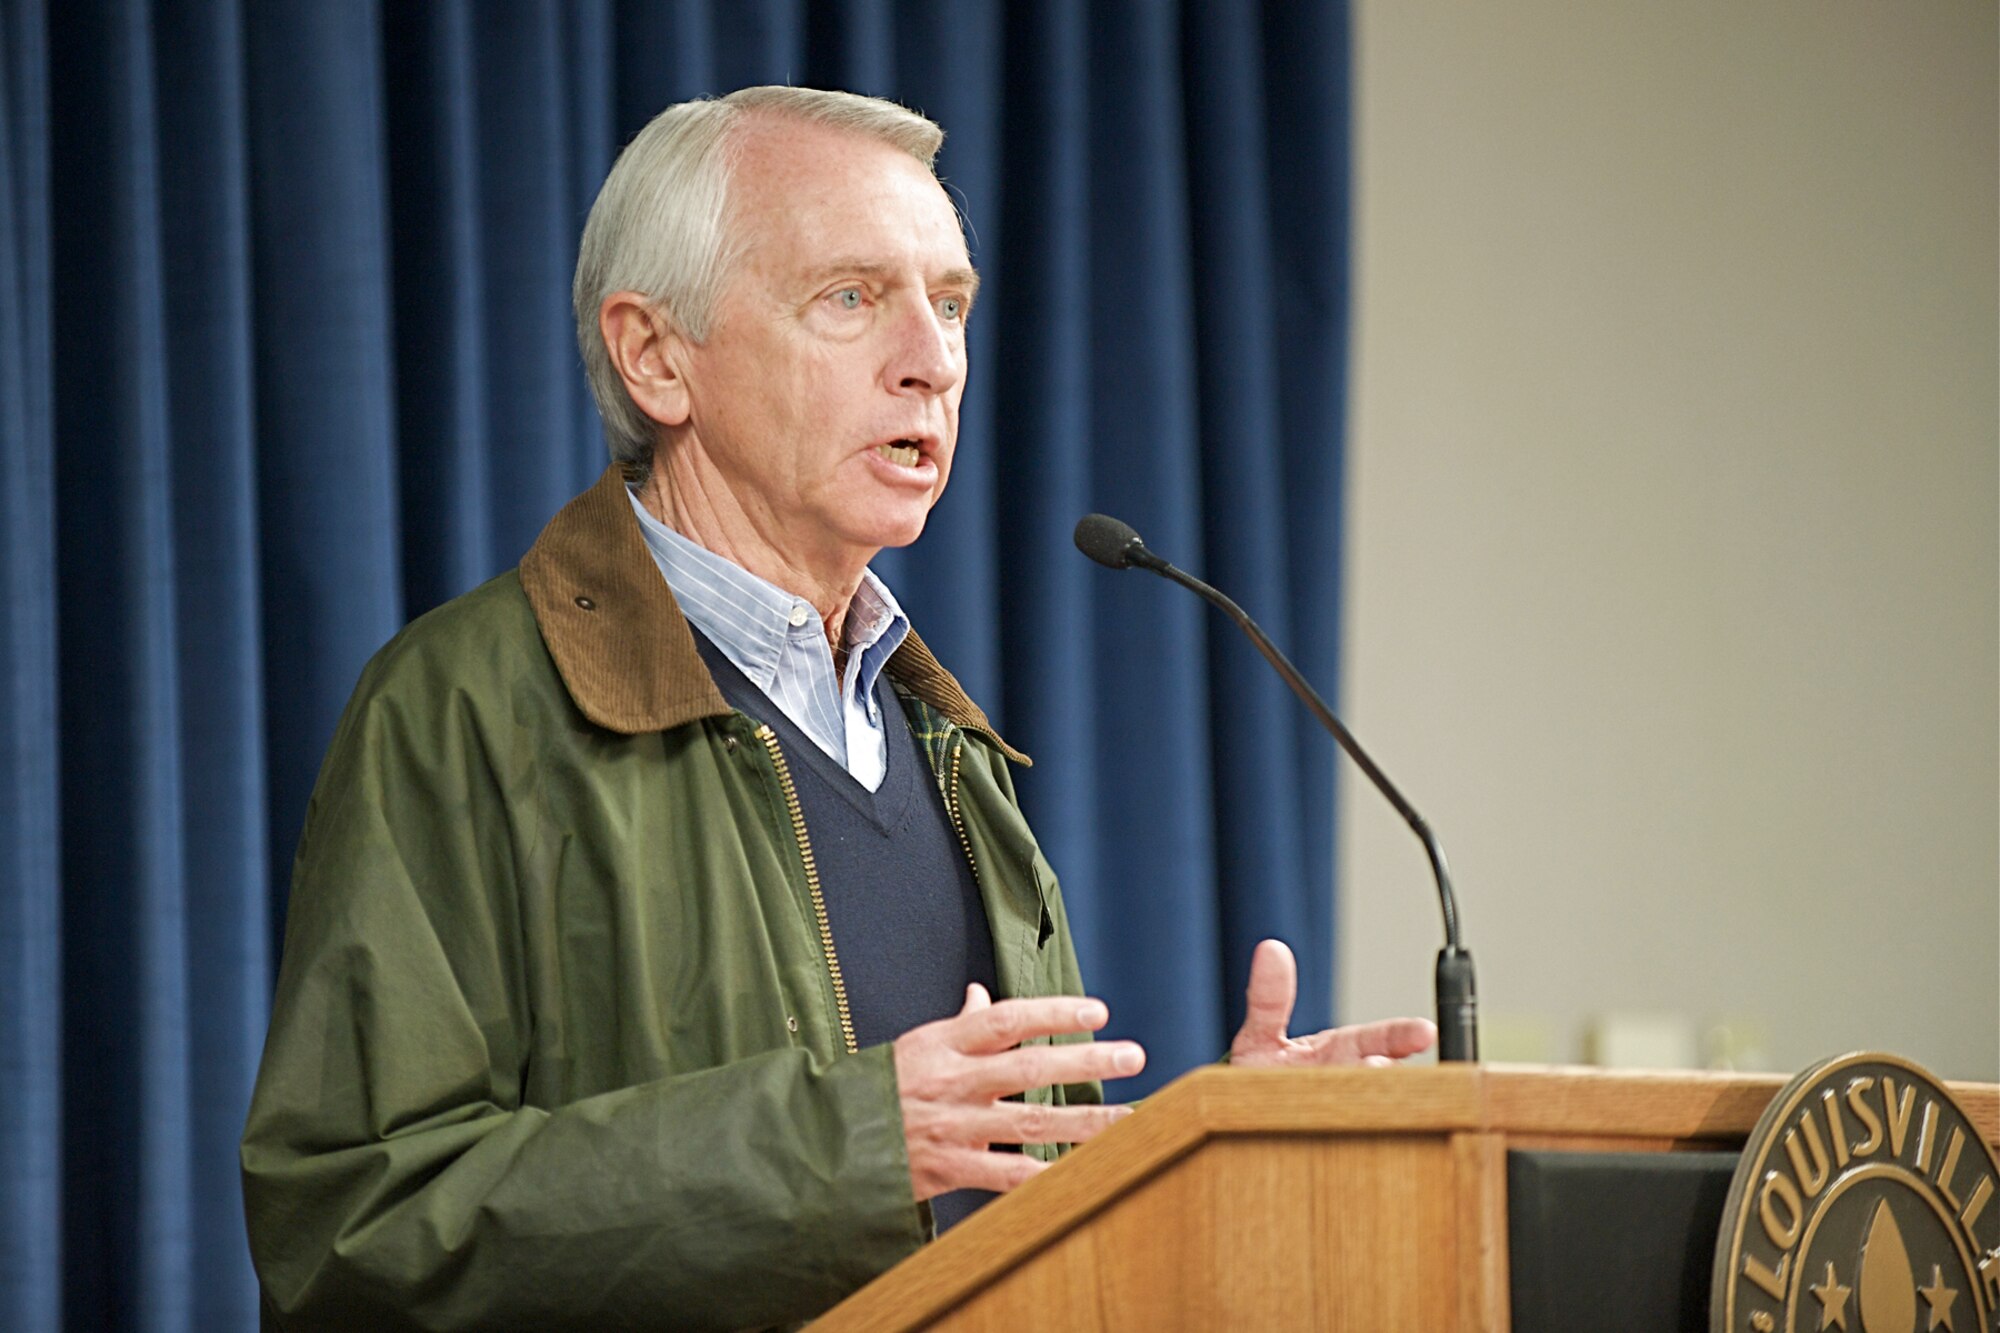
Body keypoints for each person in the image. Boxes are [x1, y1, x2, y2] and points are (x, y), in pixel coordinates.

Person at [240, 86, 1434, 1331]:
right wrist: (842, 1147)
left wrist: (1204, 1170)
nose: (931, 359)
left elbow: (997, 1233)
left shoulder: (947, 748)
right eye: (851, 298)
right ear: (655, 357)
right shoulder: (466, 711)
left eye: (951, 302)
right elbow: (349, 1231)